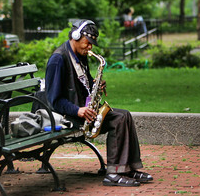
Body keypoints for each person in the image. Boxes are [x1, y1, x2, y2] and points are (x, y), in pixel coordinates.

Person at [45, 19, 153, 187]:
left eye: (92, 44)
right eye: (88, 43)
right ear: (75, 36)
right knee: (117, 120)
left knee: (125, 115)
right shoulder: (58, 60)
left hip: (85, 112)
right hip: (68, 116)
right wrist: (78, 110)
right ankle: (114, 174)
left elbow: (83, 82)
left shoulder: (80, 56)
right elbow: (54, 100)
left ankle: (128, 168)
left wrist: (95, 84)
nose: (90, 47)